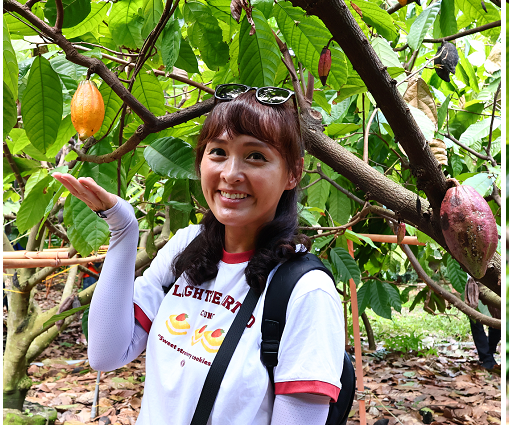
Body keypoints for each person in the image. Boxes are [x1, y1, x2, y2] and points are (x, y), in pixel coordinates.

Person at [53, 85, 344, 424]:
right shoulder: (187, 244)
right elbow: (106, 354)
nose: (230, 174)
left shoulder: (307, 291)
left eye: (255, 156)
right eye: (218, 152)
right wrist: (123, 230)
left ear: (293, 173)